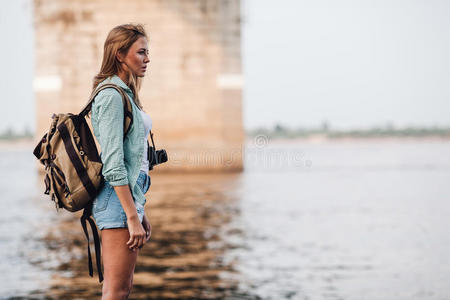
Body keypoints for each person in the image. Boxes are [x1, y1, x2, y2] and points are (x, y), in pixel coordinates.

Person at [89, 23, 152, 300]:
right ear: (119, 54)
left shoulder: (125, 93)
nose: (147, 59)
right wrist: (130, 215)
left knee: (121, 290)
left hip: (126, 198)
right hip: (117, 201)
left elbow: (132, 160)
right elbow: (113, 165)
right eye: (141, 52)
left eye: (147, 52)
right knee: (116, 291)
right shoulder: (111, 96)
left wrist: (140, 211)